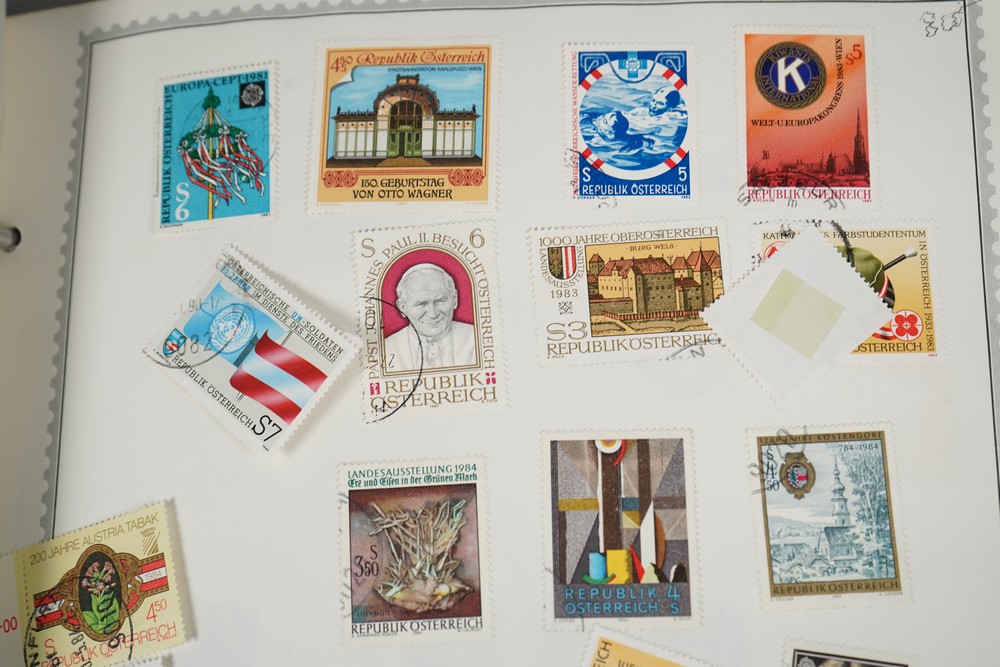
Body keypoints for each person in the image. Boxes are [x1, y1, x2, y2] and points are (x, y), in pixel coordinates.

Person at [383, 263, 476, 371]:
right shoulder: (387, 348)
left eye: (440, 301)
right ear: (402, 307)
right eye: (421, 304)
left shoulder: (476, 338)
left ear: (454, 299)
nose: (433, 314)